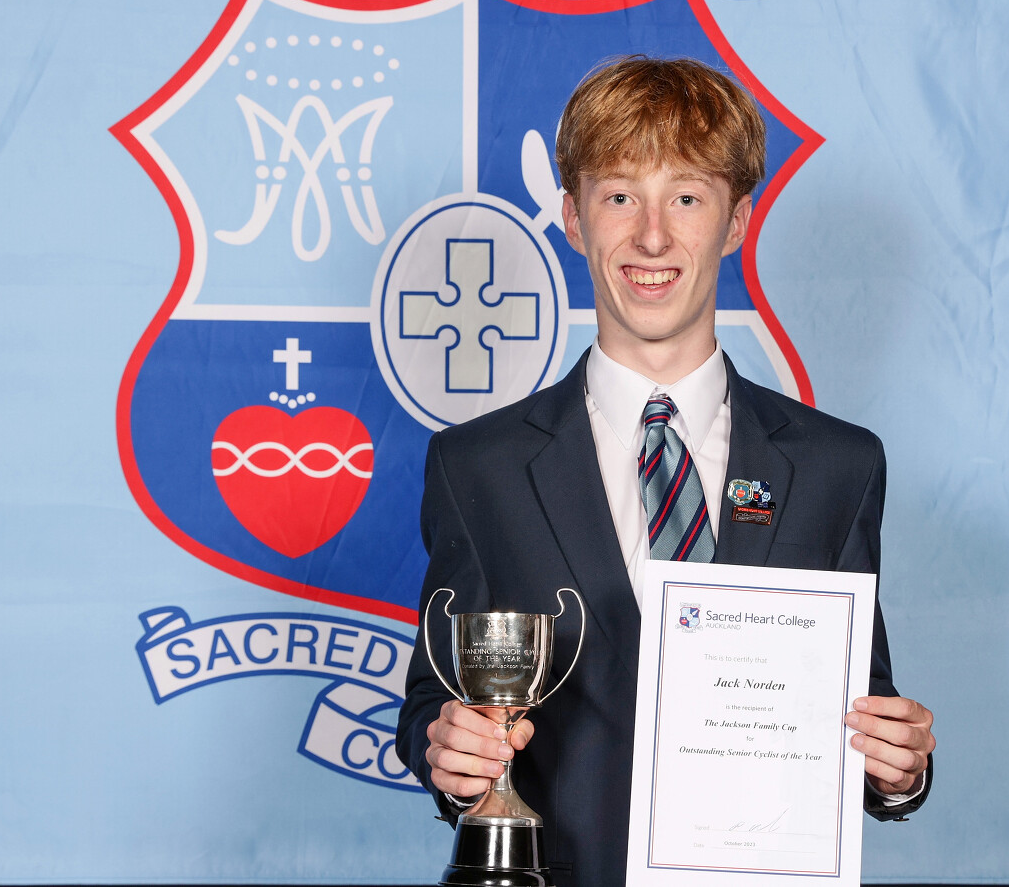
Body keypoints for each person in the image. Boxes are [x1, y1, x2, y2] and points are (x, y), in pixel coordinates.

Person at [395, 56, 935, 887]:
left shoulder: (839, 465)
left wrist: (899, 770)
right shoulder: (478, 467)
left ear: (736, 220)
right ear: (573, 218)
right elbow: (435, 699)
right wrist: (448, 747)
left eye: (686, 197)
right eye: (619, 196)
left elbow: (863, 706)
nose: (652, 237)